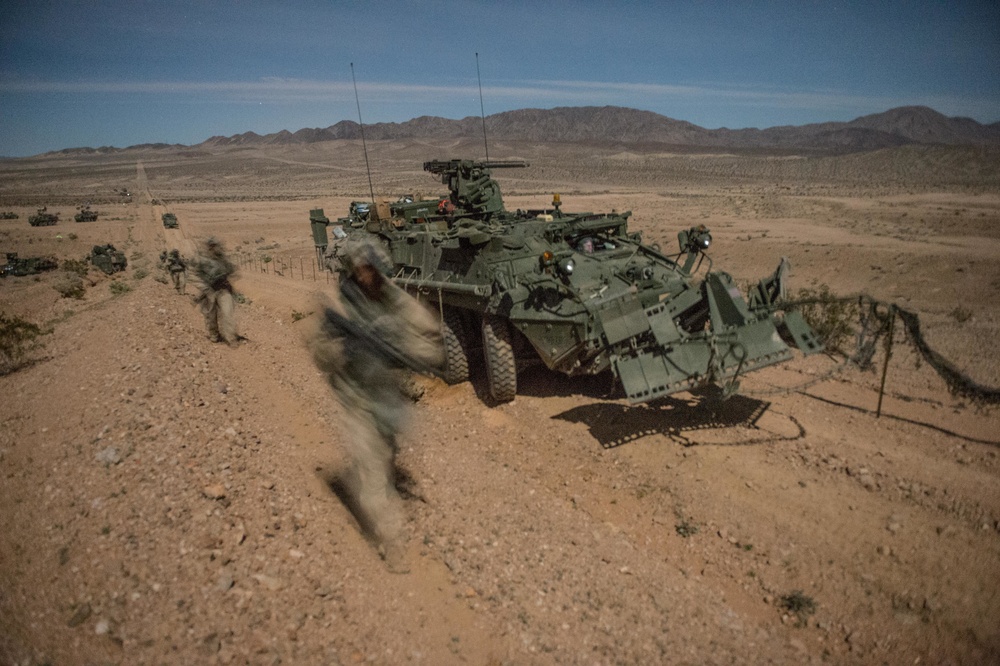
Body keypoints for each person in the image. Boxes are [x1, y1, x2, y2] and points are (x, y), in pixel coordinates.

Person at [305, 239, 444, 573]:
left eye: (369, 271)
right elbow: (319, 351)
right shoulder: (347, 304)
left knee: (384, 463)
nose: (364, 278)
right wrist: (340, 352)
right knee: (372, 482)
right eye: (359, 271)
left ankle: (384, 500)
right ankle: (392, 543)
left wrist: (395, 343)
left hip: (388, 403)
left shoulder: (400, 305)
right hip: (357, 403)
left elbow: (434, 350)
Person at [193, 237, 238, 345]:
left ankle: (231, 337)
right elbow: (194, 275)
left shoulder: (222, 259)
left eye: (215, 246)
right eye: (211, 246)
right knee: (211, 316)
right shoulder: (201, 260)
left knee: (228, 313)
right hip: (209, 291)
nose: (214, 248)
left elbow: (232, 270)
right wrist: (204, 287)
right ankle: (214, 334)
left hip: (223, 290)